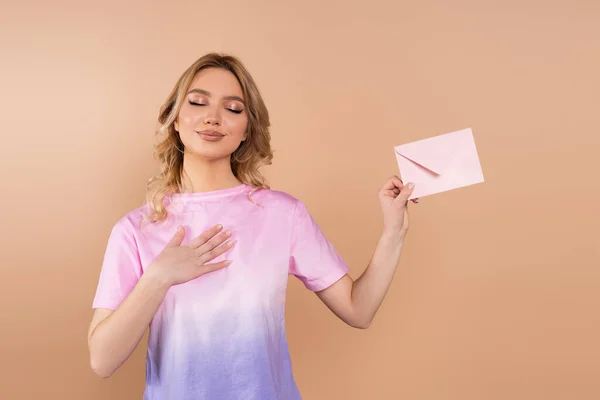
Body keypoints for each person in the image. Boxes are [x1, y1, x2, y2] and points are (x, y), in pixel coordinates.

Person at [87, 52, 418, 400]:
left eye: (233, 109)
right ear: (175, 119)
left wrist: (393, 231)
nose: (213, 118)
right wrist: (158, 277)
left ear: (247, 130)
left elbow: (358, 309)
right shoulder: (135, 229)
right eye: (198, 102)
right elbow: (102, 360)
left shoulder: (282, 214)